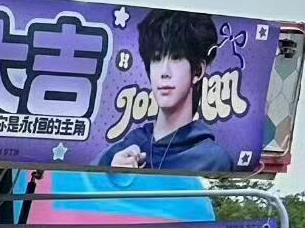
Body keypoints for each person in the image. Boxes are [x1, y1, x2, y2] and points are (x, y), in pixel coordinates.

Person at [101, 10, 236, 174]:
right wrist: (111, 179)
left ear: (198, 71)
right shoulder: (124, 149)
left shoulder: (213, 160)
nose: (164, 72)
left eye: (176, 57)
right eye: (157, 58)